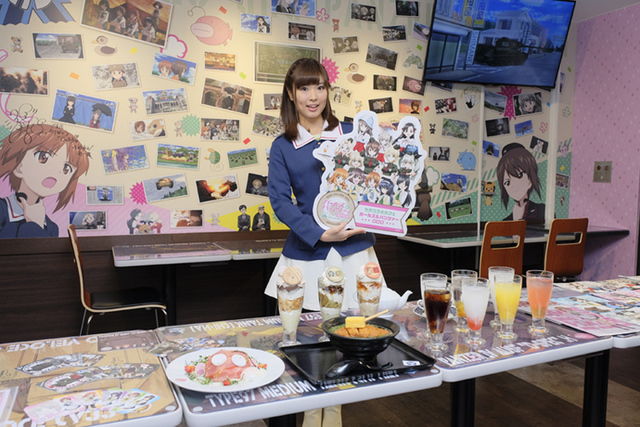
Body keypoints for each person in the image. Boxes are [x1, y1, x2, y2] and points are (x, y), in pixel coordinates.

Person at [265, 58, 382, 427]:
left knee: (348, 340)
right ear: (291, 94)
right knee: (307, 344)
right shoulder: (283, 145)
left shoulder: (352, 132)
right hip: (307, 253)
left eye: (319, 87)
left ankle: (332, 416)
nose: (313, 96)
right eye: (304, 88)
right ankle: (307, 414)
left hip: (353, 250)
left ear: (328, 90)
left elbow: (375, 177)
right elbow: (280, 200)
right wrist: (317, 233)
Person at [0, 124, 90, 238]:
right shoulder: (2, 210)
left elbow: (43, 250)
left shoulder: (51, 227)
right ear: (18, 166)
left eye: (66, 168)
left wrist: (36, 223)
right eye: (43, 157)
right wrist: (33, 224)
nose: (55, 172)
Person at [497, 142, 545, 221]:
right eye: (507, 182)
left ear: (530, 179)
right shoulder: (506, 221)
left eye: (519, 175)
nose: (513, 185)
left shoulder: (542, 210)